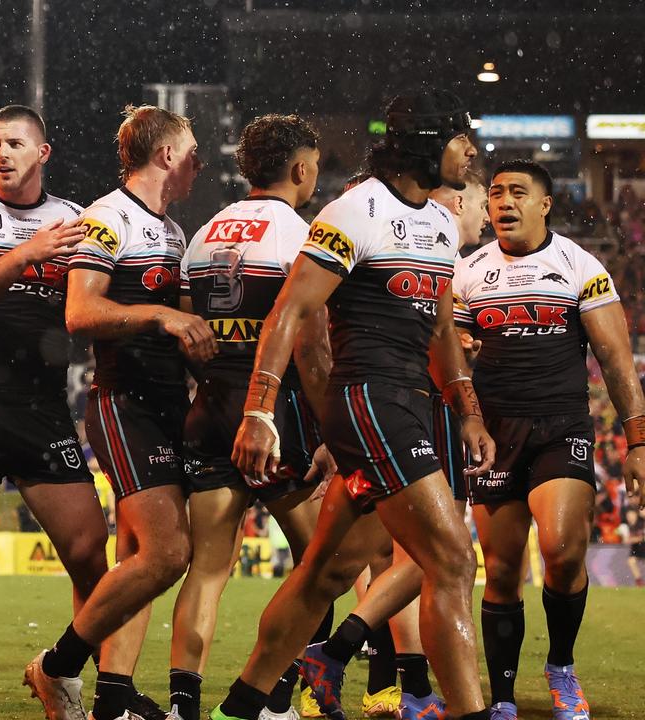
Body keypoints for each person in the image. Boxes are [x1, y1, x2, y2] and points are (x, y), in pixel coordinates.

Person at [210, 91, 493, 720]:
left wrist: (467, 408)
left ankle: (242, 706)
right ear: (423, 140)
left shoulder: (443, 224)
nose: (471, 151)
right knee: (451, 561)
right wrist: (259, 410)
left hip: (405, 406)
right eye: (459, 136)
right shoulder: (354, 210)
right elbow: (292, 310)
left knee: (327, 575)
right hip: (369, 402)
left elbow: (442, 330)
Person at [24, 104, 210, 720]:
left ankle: (113, 697)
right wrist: (162, 314)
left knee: (139, 559)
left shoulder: (173, 230)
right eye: (191, 152)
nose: (198, 165)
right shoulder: (107, 218)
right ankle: (57, 667)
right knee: (167, 553)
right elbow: (80, 313)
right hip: (124, 403)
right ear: (164, 156)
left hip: (163, 404)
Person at [0, 104, 109, 720]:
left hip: (41, 406)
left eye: (13, 144)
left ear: (44, 153)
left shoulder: (78, 221)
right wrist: (29, 253)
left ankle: (67, 675)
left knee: (91, 556)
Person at [455, 159, 645, 720]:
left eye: (518, 192)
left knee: (562, 552)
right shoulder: (468, 273)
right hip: (494, 435)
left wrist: (638, 442)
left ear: (545, 204)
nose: (504, 202)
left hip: (561, 428)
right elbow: (448, 355)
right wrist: (457, 349)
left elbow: (616, 362)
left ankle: (561, 666)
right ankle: (505, 698)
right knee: (504, 567)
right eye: (496, 193)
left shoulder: (581, 267)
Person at [302, 168, 489, 718]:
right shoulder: (430, 246)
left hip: (403, 408)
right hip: (409, 410)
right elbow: (418, 335)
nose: (486, 212)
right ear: (456, 200)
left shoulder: (435, 250)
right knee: (443, 555)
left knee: (416, 558)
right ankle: (411, 687)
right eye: (483, 199)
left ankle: (382, 678)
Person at [168, 113, 335, 720]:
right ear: (299, 168)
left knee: (207, 571)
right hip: (277, 416)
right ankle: (270, 698)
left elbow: (191, 332)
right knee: (322, 567)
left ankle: (185, 706)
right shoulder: (303, 236)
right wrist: (331, 428)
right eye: (314, 163)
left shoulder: (204, 232)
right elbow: (312, 347)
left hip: (210, 410)